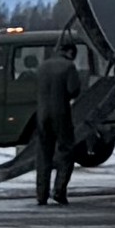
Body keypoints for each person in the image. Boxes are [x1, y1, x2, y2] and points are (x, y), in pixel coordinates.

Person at [30, 36, 86, 206]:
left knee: (43, 154)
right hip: (61, 114)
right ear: (70, 52)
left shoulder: (43, 66)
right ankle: (59, 190)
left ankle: (41, 194)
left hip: (42, 115)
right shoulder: (68, 66)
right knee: (66, 151)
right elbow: (74, 90)